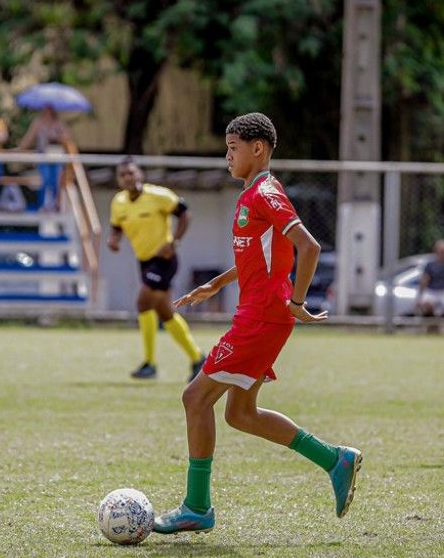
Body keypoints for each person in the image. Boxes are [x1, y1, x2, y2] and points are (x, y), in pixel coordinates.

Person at [153, 112, 362, 534]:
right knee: (240, 414)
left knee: (196, 398)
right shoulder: (252, 195)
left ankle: (197, 506)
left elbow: (309, 246)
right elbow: (258, 257)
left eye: (232, 148)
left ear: (258, 149)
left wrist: (297, 302)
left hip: (263, 316)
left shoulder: (265, 192)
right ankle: (334, 460)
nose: (226, 156)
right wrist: (214, 284)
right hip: (260, 314)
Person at [108, 157, 205, 380]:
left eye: (131, 172)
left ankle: (150, 363)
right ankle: (198, 358)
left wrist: (174, 242)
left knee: (143, 302)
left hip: (164, 260)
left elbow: (184, 212)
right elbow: (116, 228)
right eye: (123, 174)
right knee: (165, 312)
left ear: (139, 174)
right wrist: (113, 240)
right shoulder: (118, 202)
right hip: (143, 261)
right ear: (119, 179)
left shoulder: (157, 195)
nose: (127, 177)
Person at [18, 106, 69, 211]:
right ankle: (42, 205)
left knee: (56, 181)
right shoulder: (38, 123)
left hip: (56, 155)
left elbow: (67, 138)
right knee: (45, 180)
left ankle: (55, 204)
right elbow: (29, 138)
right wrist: (19, 149)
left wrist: (55, 136)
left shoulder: (59, 123)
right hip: (43, 154)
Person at [416, 239, 444, 317]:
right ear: (436, 251)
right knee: (426, 304)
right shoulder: (430, 265)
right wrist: (419, 296)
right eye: (441, 251)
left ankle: (440, 317)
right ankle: (433, 319)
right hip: (432, 291)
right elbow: (425, 280)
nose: (442, 253)